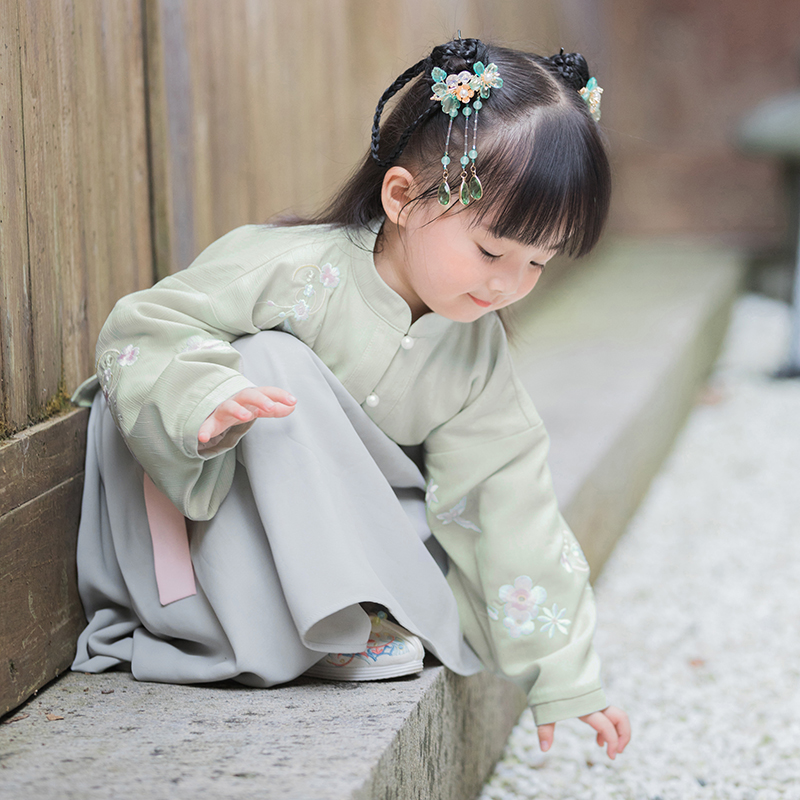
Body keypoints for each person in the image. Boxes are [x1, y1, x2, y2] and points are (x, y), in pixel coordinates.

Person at [71, 38, 630, 759]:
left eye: (537, 264)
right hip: (214, 508)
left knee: (454, 494)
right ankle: (308, 618)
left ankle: (349, 615)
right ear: (401, 197)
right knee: (273, 362)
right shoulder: (293, 268)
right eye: (492, 251)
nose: (508, 285)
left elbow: (506, 496)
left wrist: (564, 674)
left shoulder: (474, 351)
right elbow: (144, 326)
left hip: (336, 528)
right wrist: (205, 397)